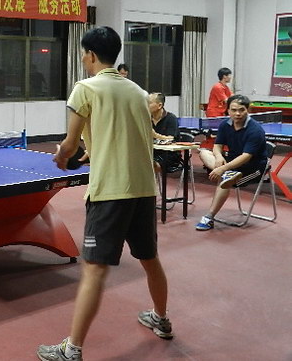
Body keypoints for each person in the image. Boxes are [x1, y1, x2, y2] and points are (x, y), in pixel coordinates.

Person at [38, 27, 172, 361]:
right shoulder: (138, 92)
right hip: (143, 188)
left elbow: (69, 144)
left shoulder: (85, 88)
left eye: (84, 53)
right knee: (149, 258)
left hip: (110, 191)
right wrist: (92, 150)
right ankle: (161, 318)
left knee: (94, 270)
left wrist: (62, 156)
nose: (83, 59)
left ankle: (72, 350)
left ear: (92, 55)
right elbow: (130, 134)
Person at [195, 94, 268, 231]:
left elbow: (246, 157)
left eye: (241, 110)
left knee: (223, 180)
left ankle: (209, 217)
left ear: (248, 110)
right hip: (232, 162)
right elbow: (217, 146)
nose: (237, 114)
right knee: (204, 152)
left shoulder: (255, 130)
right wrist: (218, 156)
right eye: (234, 110)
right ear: (228, 110)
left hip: (253, 167)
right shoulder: (225, 125)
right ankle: (228, 174)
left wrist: (223, 169)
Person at [149, 92, 180, 170]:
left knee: (150, 165)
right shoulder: (146, 118)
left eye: (149, 103)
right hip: (152, 152)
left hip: (169, 154)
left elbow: (171, 139)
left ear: (159, 105)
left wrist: (155, 135)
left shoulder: (171, 118)